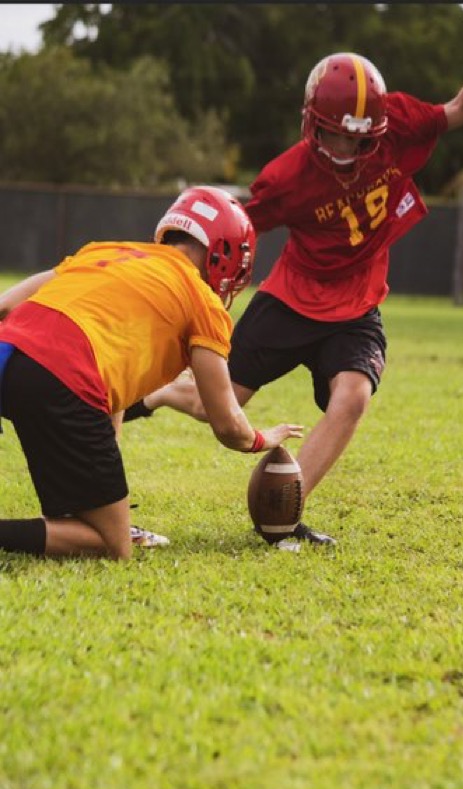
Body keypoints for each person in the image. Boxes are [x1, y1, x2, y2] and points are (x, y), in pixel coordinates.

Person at [121, 20, 463, 547]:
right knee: (224, 401)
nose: (346, 148)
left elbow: (461, 109)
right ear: (312, 122)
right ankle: (161, 392)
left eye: (358, 138)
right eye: (336, 134)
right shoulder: (287, 177)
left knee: (353, 396)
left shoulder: (399, 124)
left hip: (357, 302)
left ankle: (285, 508)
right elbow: (232, 226)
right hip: (292, 298)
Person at [0, 186, 303, 560]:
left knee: (76, 513)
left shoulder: (105, 251)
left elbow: (7, 305)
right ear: (225, 253)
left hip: (7, 354)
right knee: (112, 544)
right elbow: (226, 424)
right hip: (62, 376)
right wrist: (261, 439)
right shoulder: (201, 300)